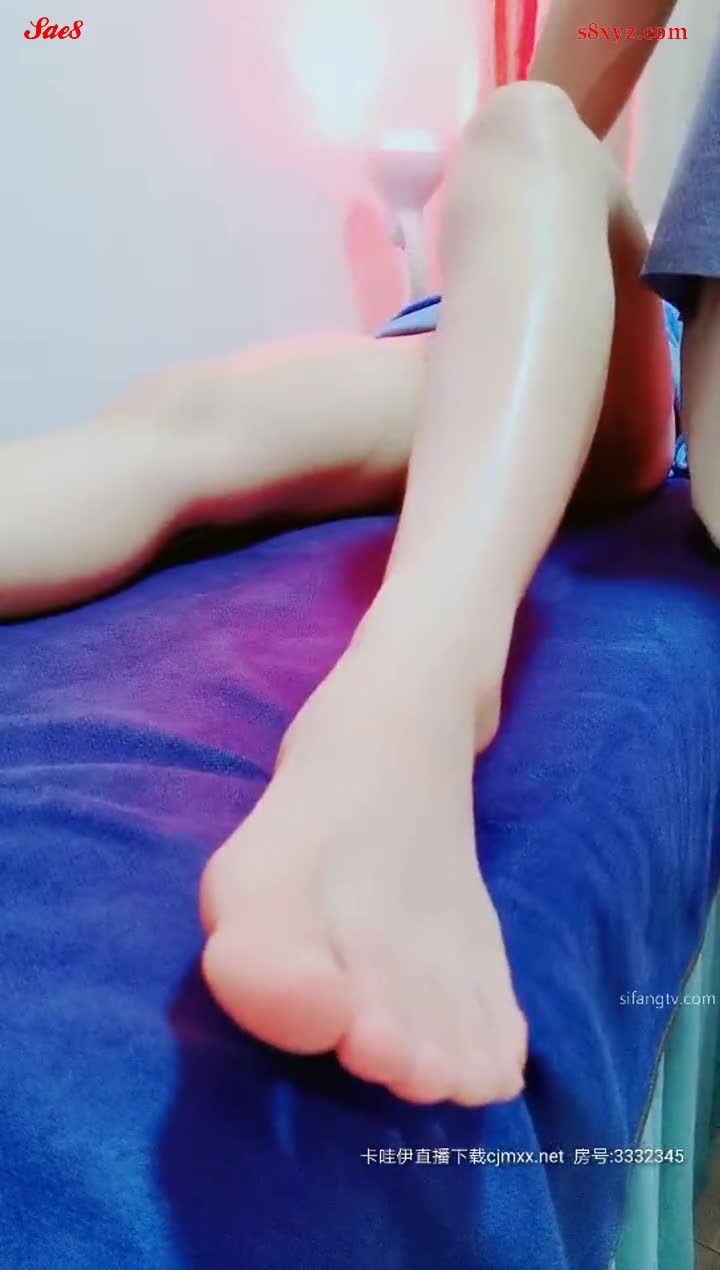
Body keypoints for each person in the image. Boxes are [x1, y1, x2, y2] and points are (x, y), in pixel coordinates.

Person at [0, 0, 704, 1107]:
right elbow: (562, 110)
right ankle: (409, 705)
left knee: (526, 128)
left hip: (622, 362)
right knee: (194, 417)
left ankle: (410, 701)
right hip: (484, 321)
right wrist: (518, 239)